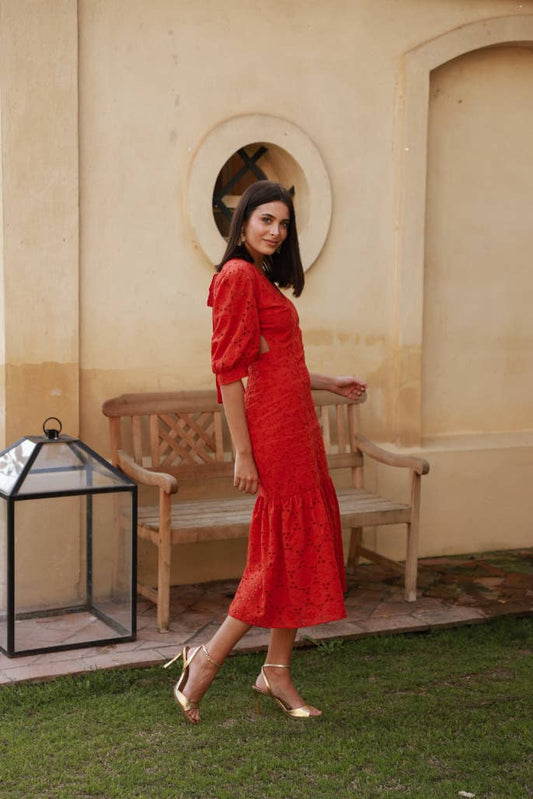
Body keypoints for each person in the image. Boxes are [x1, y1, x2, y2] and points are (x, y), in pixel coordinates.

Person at [165, 180, 367, 723]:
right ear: (244, 222)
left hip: (297, 428)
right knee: (279, 552)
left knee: (297, 545)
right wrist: (243, 454)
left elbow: (276, 362)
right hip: (272, 434)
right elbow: (229, 373)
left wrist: (329, 382)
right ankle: (206, 660)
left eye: (283, 224)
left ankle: (275, 671)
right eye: (266, 220)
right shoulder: (236, 276)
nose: (276, 232)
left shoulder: (259, 277)